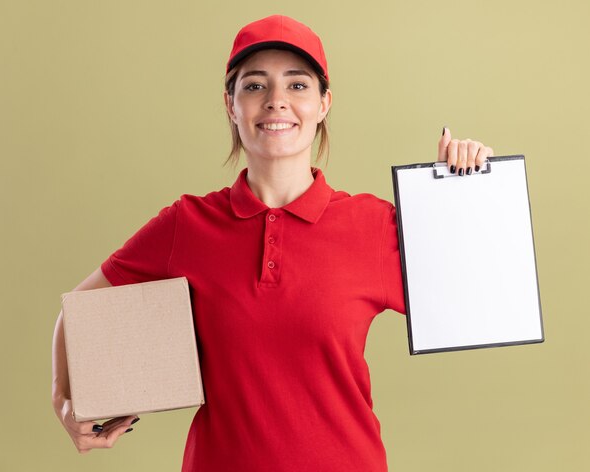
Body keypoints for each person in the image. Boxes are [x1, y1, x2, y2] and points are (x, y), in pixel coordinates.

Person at [51, 14, 494, 471]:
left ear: (324, 103)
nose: (276, 101)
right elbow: (77, 311)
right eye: (256, 86)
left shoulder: (374, 224)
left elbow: (480, 297)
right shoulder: (188, 224)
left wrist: (467, 190)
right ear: (231, 104)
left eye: (298, 85)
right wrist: (63, 400)